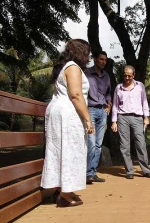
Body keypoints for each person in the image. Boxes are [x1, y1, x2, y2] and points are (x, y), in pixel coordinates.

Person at [41, 39, 95, 207]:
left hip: (60, 112)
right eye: (88, 52)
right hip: (67, 114)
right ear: (82, 52)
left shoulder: (67, 66)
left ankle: (63, 189)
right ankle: (64, 195)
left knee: (62, 150)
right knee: (70, 150)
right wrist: (88, 120)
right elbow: (76, 95)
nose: (89, 56)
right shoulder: (73, 67)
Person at [111, 65, 150, 179]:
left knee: (140, 144)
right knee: (124, 145)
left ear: (133, 75)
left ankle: (146, 170)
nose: (126, 78)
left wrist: (146, 117)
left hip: (137, 117)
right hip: (123, 118)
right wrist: (114, 121)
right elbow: (115, 106)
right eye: (125, 75)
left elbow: (144, 102)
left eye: (129, 76)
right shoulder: (118, 88)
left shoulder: (140, 86)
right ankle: (129, 170)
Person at [85, 51, 111, 184]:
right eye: (101, 59)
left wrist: (109, 104)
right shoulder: (86, 73)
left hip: (102, 111)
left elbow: (108, 93)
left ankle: (92, 172)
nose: (103, 62)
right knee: (90, 142)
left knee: (98, 144)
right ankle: (87, 173)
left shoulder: (106, 76)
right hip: (90, 110)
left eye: (105, 60)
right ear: (95, 59)